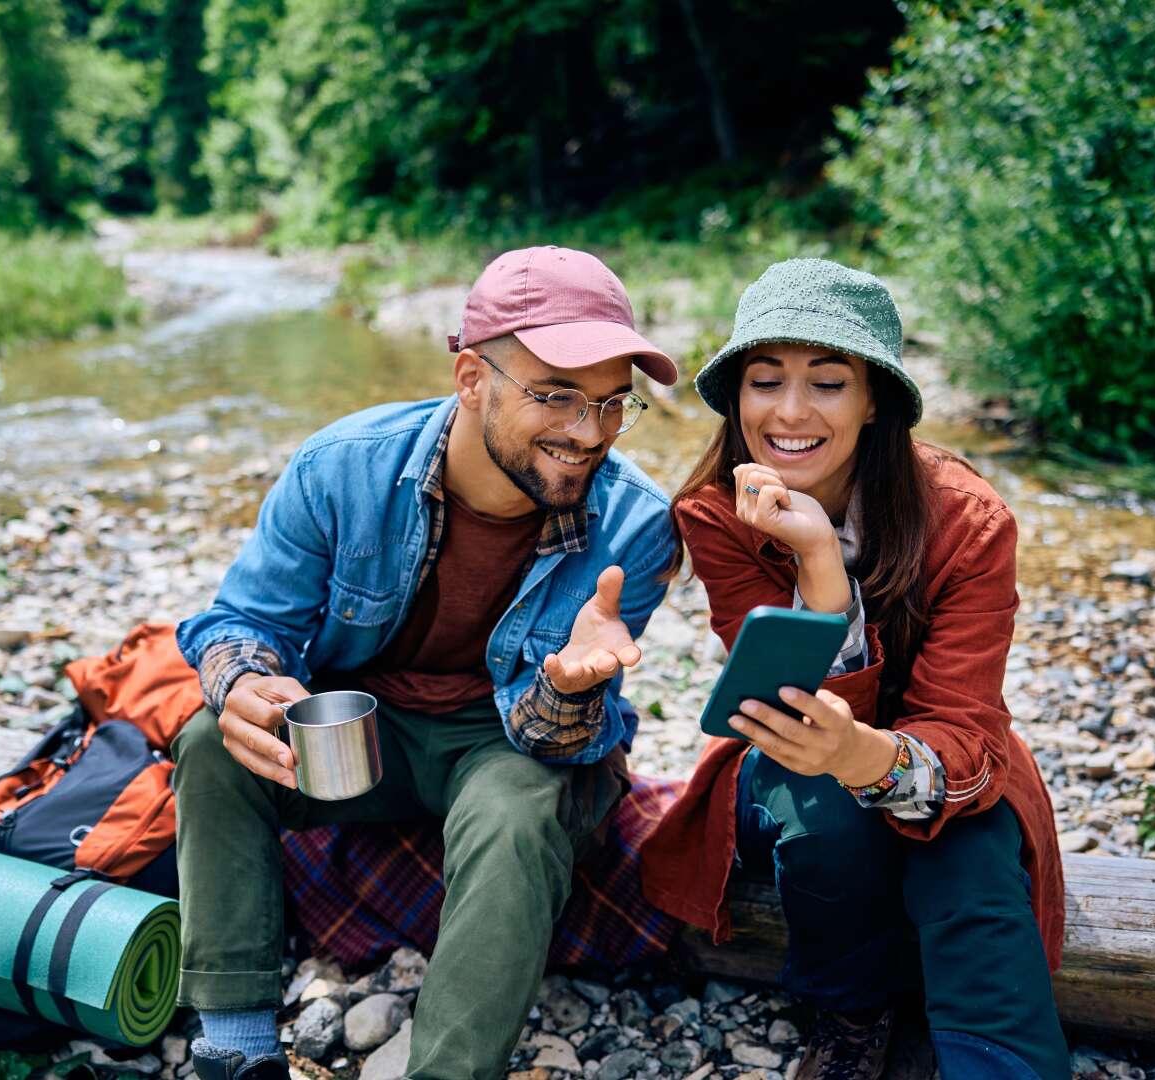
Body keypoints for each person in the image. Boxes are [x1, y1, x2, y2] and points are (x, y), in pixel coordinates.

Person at [173, 246, 678, 1080]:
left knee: (519, 818)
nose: (588, 432)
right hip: (374, 731)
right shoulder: (342, 468)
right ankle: (235, 1040)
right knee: (206, 742)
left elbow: (556, 744)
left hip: (511, 740)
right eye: (555, 395)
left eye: (611, 403)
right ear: (472, 378)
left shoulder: (637, 523)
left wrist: (563, 688)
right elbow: (241, 621)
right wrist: (243, 680)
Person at [639, 259, 1068, 1080]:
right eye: (765, 380)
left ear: (875, 400)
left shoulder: (970, 522)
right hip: (791, 762)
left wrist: (870, 757)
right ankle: (849, 1014)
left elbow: (963, 718)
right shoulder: (714, 513)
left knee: (971, 860)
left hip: (950, 760)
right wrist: (816, 563)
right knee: (821, 808)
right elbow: (782, 707)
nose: (790, 411)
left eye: (828, 382)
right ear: (737, 396)